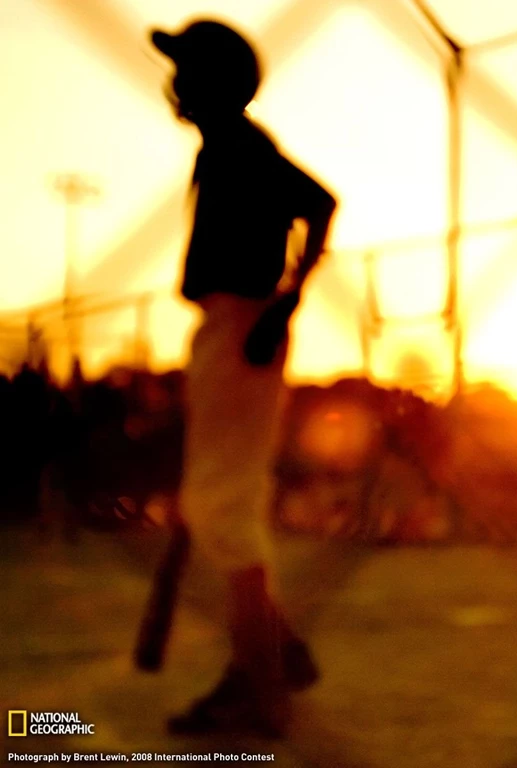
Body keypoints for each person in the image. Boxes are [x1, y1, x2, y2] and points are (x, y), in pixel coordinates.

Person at [150, 19, 338, 736]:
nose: (175, 82)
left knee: (225, 511)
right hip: (227, 328)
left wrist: (285, 301)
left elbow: (320, 204)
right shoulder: (225, 145)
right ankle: (277, 652)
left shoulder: (239, 143)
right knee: (221, 504)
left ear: (218, 84)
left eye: (187, 69)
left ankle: (260, 693)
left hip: (240, 324)